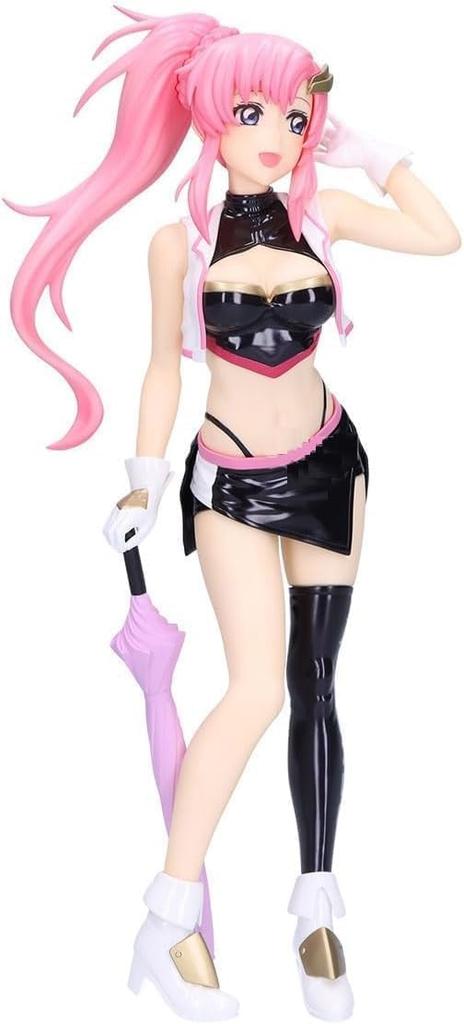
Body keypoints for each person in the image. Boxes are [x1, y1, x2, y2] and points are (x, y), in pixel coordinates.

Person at [7, 9, 461, 1022]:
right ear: (211, 114)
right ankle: (168, 916)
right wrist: (140, 479)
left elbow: (442, 235)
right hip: (230, 483)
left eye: (297, 118)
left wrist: (374, 151)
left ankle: (315, 912)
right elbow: (162, 368)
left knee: (314, 683)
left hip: (329, 464)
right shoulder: (175, 241)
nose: (278, 136)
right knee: (254, 688)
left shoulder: (325, 214)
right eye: (255, 112)